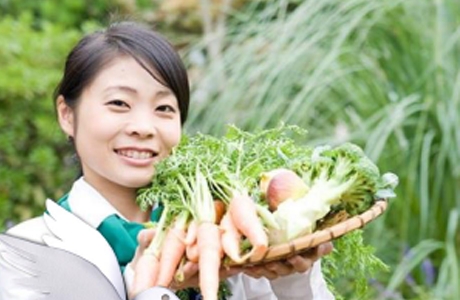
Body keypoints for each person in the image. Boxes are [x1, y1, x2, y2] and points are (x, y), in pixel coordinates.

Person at [2, 21, 334, 299]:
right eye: (119, 103)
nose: (144, 128)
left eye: (164, 108)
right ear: (66, 114)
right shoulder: (24, 254)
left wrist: (290, 277)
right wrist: (150, 289)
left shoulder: (230, 232)